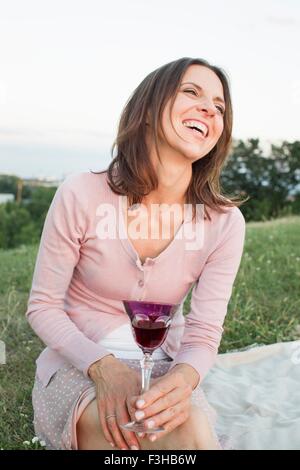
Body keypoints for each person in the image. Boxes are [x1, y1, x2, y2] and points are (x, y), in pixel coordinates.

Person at [26, 57, 247, 450]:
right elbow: (42, 307)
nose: (209, 109)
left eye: (219, 107)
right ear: (147, 110)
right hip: (80, 363)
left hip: (166, 365)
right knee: (126, 433)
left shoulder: (225, 223)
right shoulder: (81, 194)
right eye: (191, 92)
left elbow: (204, 331)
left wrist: (183, 380)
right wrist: (103, 366)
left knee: (188, 428)